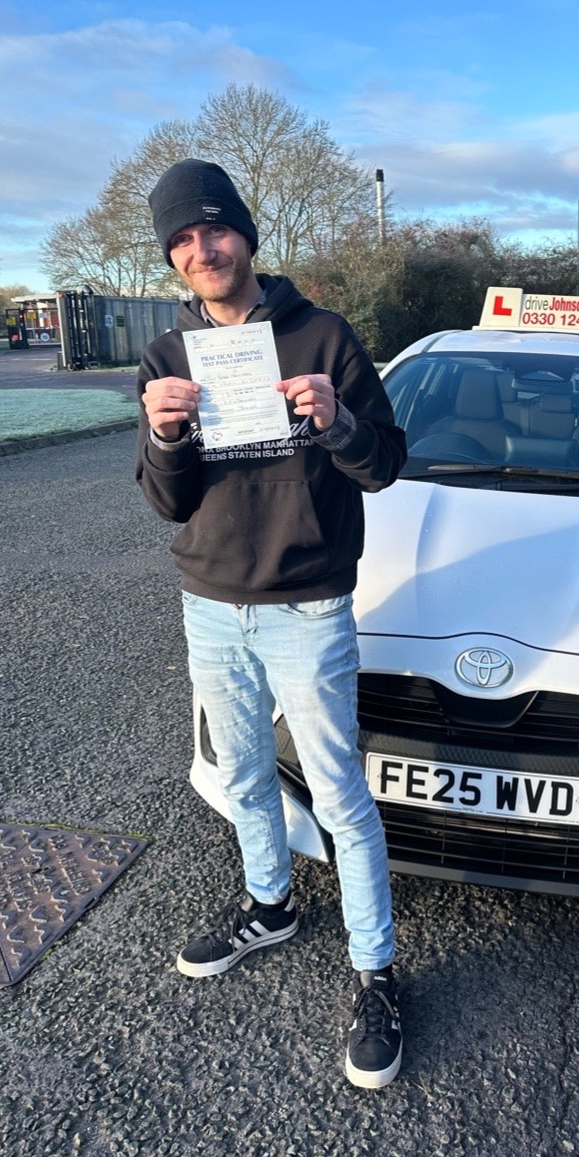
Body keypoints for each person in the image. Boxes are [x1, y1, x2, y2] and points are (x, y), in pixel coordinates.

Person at [135, 159, 407, 1089]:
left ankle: (375, 970)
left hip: (307, 604)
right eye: (179, 241)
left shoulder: (324, 335)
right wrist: (164, 435)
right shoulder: (168, 356)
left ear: (245, 235)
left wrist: (337, 424)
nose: (199, 251)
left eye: (212, 231)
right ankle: (270, 904)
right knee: (243, 775)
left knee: (337, 792)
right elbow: (167, 503)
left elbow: (384, 466)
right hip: (208, 603)